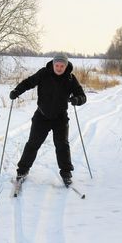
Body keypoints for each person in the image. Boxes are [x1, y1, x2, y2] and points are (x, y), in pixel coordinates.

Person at [9, 53, 86, 186]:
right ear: (53, 64)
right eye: (57, 65)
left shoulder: (70, 78)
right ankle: (22, 170)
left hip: (60, 118)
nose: (59, 68)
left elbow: (82, 96)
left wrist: (76, 99)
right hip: (42, 116)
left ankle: (66, 173)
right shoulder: (44, 73)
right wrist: (17, 91)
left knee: (62, 145)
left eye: (62, 66)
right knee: (33, 144)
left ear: (66, 66)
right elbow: (28, 82)